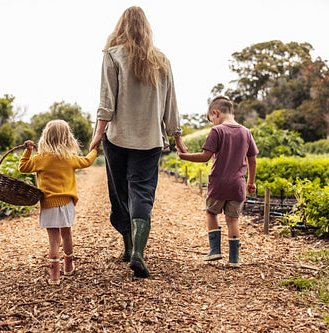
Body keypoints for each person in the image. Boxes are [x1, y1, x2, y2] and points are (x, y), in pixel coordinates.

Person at [89, 6, 187, 278]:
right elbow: (171, 103)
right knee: (142, 192)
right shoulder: (162, 60)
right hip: (150, 140)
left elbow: (106, 100)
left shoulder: (112, 55)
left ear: (121, 26)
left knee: (120, 192)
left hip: (118, 138)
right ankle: (138, 252)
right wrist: (176, 136)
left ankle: (129, 245)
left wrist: (98, 134)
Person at [176, 96, 258, 267]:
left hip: (219, 183)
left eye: (211, 119)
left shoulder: (217, 131)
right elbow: (252, 159)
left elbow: (205, 157)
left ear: (216, 113)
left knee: (211, 213)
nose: (213, 122)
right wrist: (250, 181)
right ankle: (234, 259)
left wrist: (183, 156)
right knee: (233, 220)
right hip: (238, 185)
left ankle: (215, 250)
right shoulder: (246, 132)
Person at [19, 120, 97, 284]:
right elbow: (87, 161)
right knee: (66, 233)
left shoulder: (41, 159)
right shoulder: (69, 158)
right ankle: (68, 266)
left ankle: (54, 276)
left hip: (48, 204)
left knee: (53, 241)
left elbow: (23, 167)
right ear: (68, 139)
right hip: (66, 203)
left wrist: (28, 151)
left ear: (45, 138)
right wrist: (95, 150)